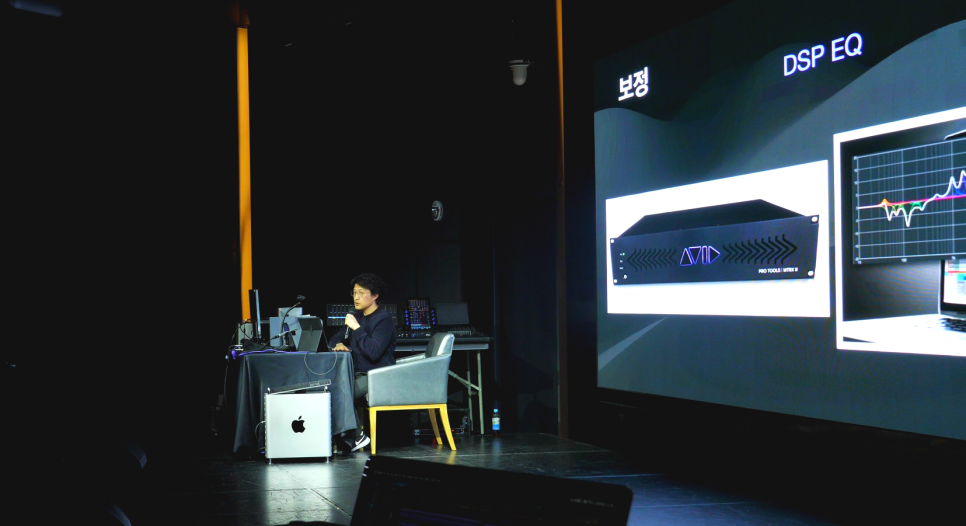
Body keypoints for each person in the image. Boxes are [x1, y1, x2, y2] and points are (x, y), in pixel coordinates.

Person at [327, 273, 396, 452]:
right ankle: (343, 439)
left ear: (375, 296)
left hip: (378, 374)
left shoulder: (384, 319)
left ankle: (357, 437)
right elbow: (334, 338)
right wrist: (338, 344)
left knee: (340, 392)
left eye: (361, 293)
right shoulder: (357, 316)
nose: (356, 297)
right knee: (329, 387)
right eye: (354, 293)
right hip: (357, 373)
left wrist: (356, 328)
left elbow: (374, 352)